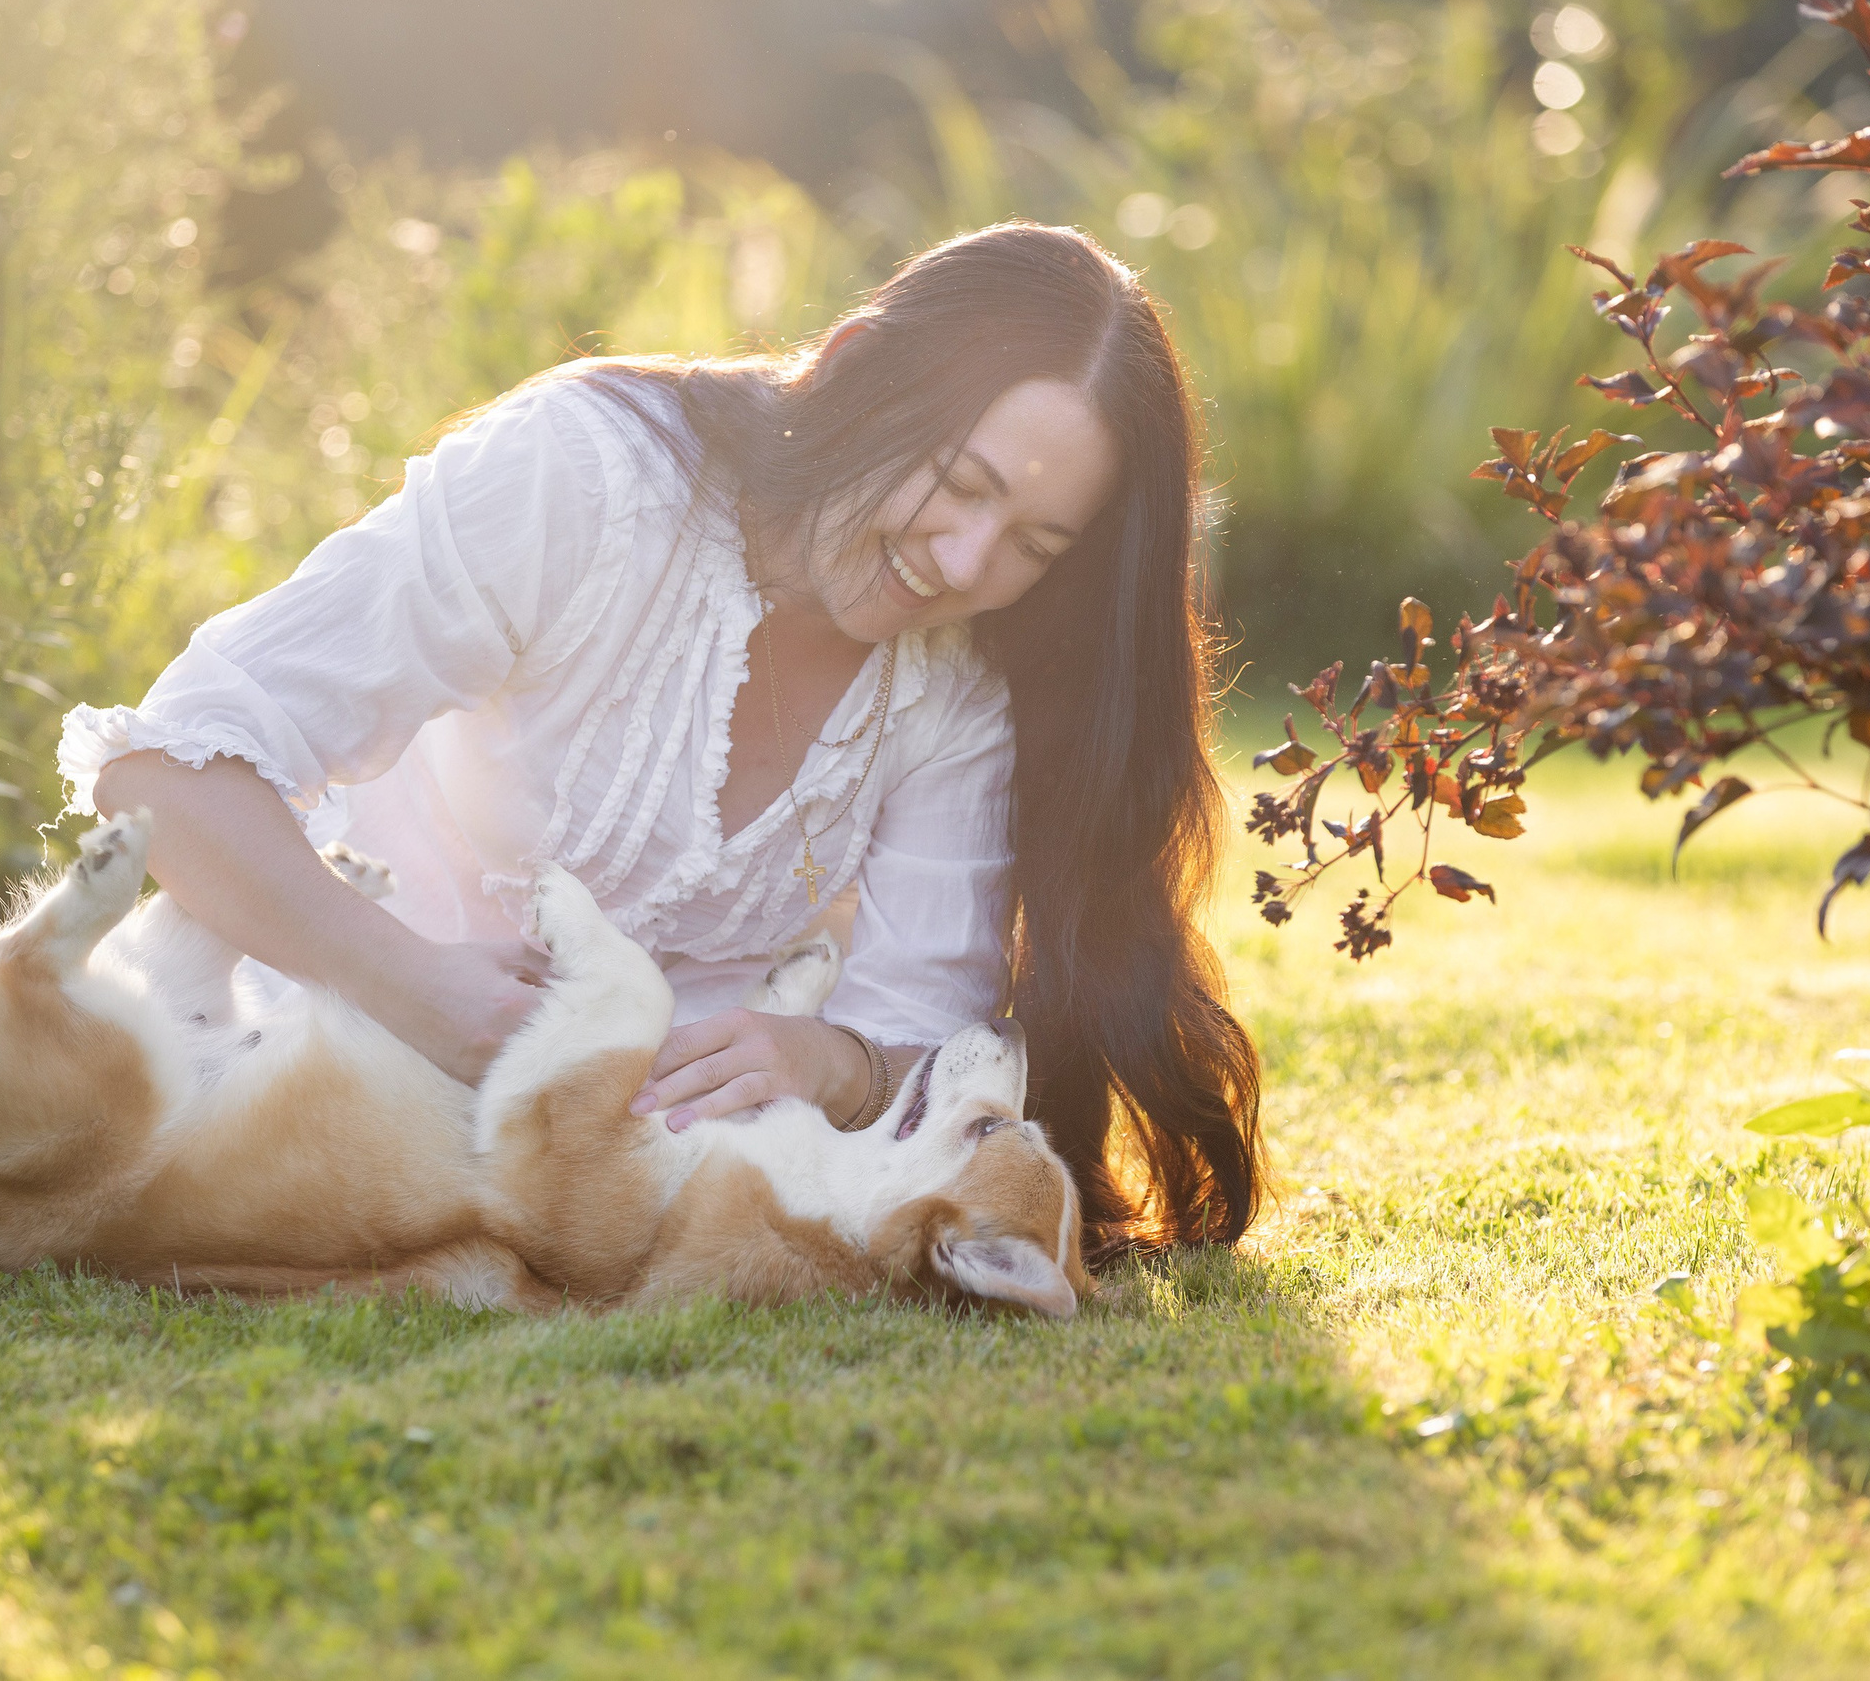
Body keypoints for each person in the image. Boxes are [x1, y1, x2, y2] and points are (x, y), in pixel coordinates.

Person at [68, 220, 1261, 1256]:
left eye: (1034, 546)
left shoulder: (954, 683)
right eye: (958, 481)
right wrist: (412, 983)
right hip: (317, 1063)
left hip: (634, 1163)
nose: (963, 564)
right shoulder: (584, 480)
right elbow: (162, 765)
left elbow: (925, 1037)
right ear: (852, 371)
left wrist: (826, 1062)